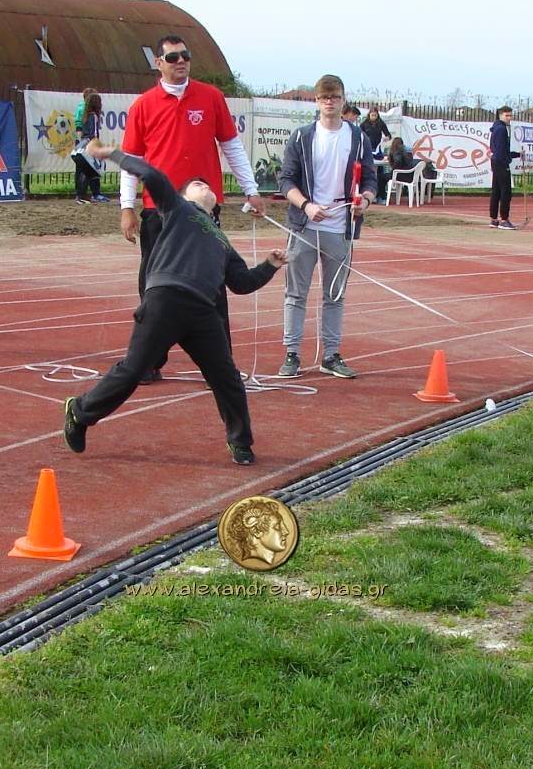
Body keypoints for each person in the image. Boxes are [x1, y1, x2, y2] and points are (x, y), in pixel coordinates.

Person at [65, 143, 287, 466]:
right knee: (133, 370)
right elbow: (152, 175)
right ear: (183, 196)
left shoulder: (223, 242)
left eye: (207, 184)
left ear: (216, 203)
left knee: (226, 377)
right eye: (196, 184)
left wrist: (269, 265)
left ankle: (240, 441)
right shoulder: (178, 209)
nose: (203, 184)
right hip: (165, 299)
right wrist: (113, 154)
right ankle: (79, 411)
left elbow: (241, 283)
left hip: (203, 312)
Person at [119, 33, 264, 384]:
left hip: (202, 213)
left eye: (185, 55)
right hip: (158, 212)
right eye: (172, 57)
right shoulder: (143, 106)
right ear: (159, 63)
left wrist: (251, 190)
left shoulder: (211, 97)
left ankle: (220, 365)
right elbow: (131, 160)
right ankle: (148, 360)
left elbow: (231, 146)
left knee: (213, 284)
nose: (181, 61)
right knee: (153, 286)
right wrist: (126, 206)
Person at [274, 74, 377, 380]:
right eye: (324, 97)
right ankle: (292, 353)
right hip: (304, 226)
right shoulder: (302, 137)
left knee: (335, 295)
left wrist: (365, 201)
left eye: (335, 97)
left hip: (340, 228)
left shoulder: (359, 138)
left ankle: (331, 355)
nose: (330, 102)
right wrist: (306, 205)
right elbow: (286, 180)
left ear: (343, 100)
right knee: (296, 293)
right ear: (317, 101)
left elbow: (370, 179)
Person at [488, 106, 520, 229]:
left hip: (496, 161)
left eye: (510, 115)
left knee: (496, 191)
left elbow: (496, 149)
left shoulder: (496, 128)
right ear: (501, 115)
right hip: (501, 163)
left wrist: (517, 154)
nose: (509, 118)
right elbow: (501, 151)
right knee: (505, 192)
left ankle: (493, 219)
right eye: (507, 115)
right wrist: (507, 160)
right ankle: (504, 220)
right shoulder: (501, 129)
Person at [72, 91, 106, 203]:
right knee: (89, 171)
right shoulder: (93, 116)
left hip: (84, 143)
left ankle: (81, 195)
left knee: (85, 171)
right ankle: (82, 196)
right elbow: (93, 133)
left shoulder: (86, 115)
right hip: (90, 145)